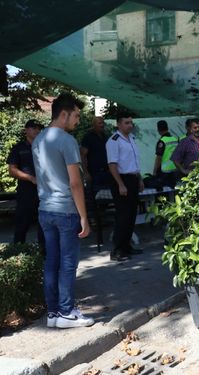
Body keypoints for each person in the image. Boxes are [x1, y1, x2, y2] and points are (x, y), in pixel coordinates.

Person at [31, 93, 94, 328]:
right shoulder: (67, 141)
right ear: (64, 114)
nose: (78, 120)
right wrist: (84, 217)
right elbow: (75, 183)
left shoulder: (38, 140)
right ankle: (67, 312)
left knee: (51, 262)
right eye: (76, 115)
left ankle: (54, 314)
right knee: (68, 263)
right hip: (66, 211)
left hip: (45, 209)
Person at [106, 113, 144, 261]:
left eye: (131, 123)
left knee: (131, 215)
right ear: (119, 124)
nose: (130, 125)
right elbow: (112, 165)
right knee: (123, 216)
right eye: (127, 123)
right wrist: (120, 184)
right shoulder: (114, 141)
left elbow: (135, 162)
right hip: (121, 180)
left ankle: (127, 247)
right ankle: (117, 251)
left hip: (133, 179)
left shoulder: (132, 139)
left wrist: (140, 179)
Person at [7, 119, 45, 248]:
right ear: (26, 130)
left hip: (44, 191)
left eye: (39, 128)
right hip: (26, 191)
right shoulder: (18, 148)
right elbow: (12, 170)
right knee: (22, 225)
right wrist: (30, 178)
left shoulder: (44, 146)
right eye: (33, 128)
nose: (37, 130)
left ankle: (44, 254)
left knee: (44, 225)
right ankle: (17, 254)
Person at [80, 116, 111, 193]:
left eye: (103, 123)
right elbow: (82, 155)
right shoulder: (88, 137)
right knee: (95, 198)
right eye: (99, 123)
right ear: (94, 125)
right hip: (94, 173)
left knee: (107, 197)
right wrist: (86, 172)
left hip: (107, 172)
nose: (102, 125)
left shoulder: (105, 136)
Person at [152, 120, 178, 187]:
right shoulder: (175, 139)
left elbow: (159, 158)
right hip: (175, 170)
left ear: (158, 129)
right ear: (167, 128)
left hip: (164, 172)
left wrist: (154, 172)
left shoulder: (162, 141)